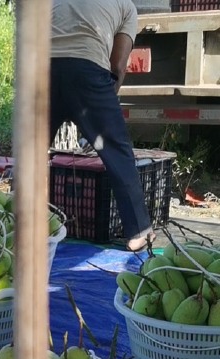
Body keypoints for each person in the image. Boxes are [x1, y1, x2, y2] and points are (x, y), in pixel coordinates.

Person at [49, 0, 156, 252]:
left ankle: (13, 221)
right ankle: (139, 232)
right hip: (87, 69)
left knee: (30, 152)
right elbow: (117, 66)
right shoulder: (126, 7)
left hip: (39, 69)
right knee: (117, 150)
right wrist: (103, 109)